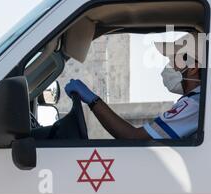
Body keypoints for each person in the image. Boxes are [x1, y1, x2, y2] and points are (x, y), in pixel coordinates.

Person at [64, 32, 202, 140]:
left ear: (193, 68)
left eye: (173, 60)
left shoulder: (194, 105)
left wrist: (93, 100)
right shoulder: (196, 102)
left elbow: (133, 137)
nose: (169, 65)